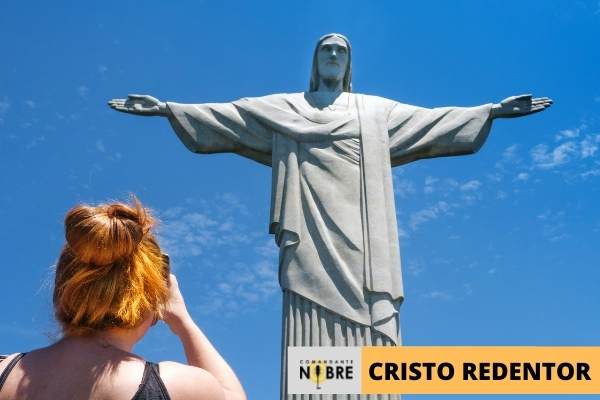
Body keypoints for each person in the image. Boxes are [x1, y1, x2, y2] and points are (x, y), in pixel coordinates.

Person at [108, 33, 552, 399]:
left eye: (341, 51)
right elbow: (232, 115)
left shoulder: (374, 112)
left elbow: (431, 122)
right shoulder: (286, 109)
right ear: (316, 61)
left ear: (349, 64)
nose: (334, 56)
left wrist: (490, 111)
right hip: (309, 233)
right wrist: (168, 109)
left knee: (372, 317)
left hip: (366, 235)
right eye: (326, 50)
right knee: (308, 304)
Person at [0, 198, 246, 400]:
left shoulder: (3, 369)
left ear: (62, 290)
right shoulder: (182, 388)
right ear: (152, 300)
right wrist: (183, 322)